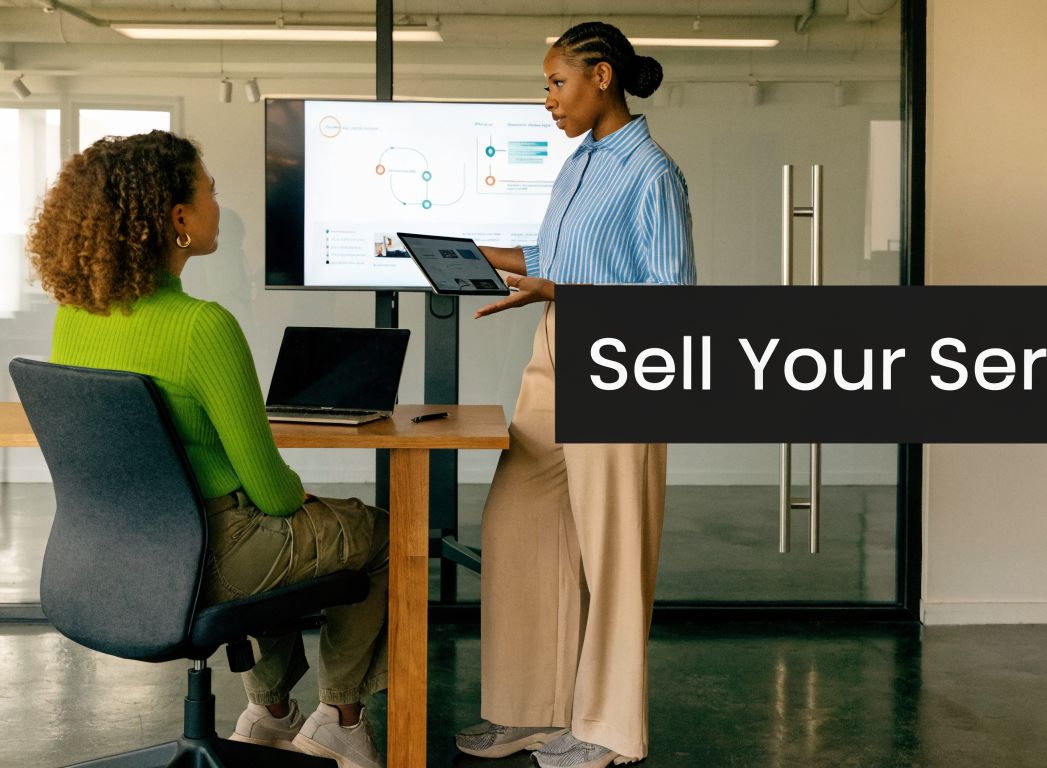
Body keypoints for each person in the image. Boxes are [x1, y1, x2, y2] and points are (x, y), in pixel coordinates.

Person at [26, 131, 388, 768]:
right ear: (178, 219)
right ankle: (340, 716)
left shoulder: (73, 314)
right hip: (210, 558)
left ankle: (271, 712)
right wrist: (292, 490)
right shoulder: (203, 326)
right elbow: (274, 494)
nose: (218, 202)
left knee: (286, 535)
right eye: (209, 190)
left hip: (113, 556)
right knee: (378, 533)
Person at [454, 21, 695, 768]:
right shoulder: (579, 163)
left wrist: (559, 288)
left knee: (613, 552)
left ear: (600, 77)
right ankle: (533, 710)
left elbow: (674, 298)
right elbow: (549, 256)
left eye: (556, 84)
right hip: (556, 352)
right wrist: (466, 253)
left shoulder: (652, 172)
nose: (548, 101)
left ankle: (610, 732)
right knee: (517, 517)